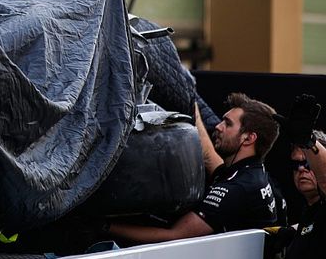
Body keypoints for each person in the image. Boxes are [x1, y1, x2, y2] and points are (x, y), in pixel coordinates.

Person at [106, 92, 279, 244]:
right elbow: (209, 156)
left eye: (227, 124)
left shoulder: (237, 188)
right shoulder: (251, 172)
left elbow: (174, 236)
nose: (218, 126)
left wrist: (105, 226)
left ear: (248, 139)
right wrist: (188, 97)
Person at [275, 94, 326, 259]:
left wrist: (308, 142)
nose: (301, 169)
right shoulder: (309, 212)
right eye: (296, 165)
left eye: (307, 164)